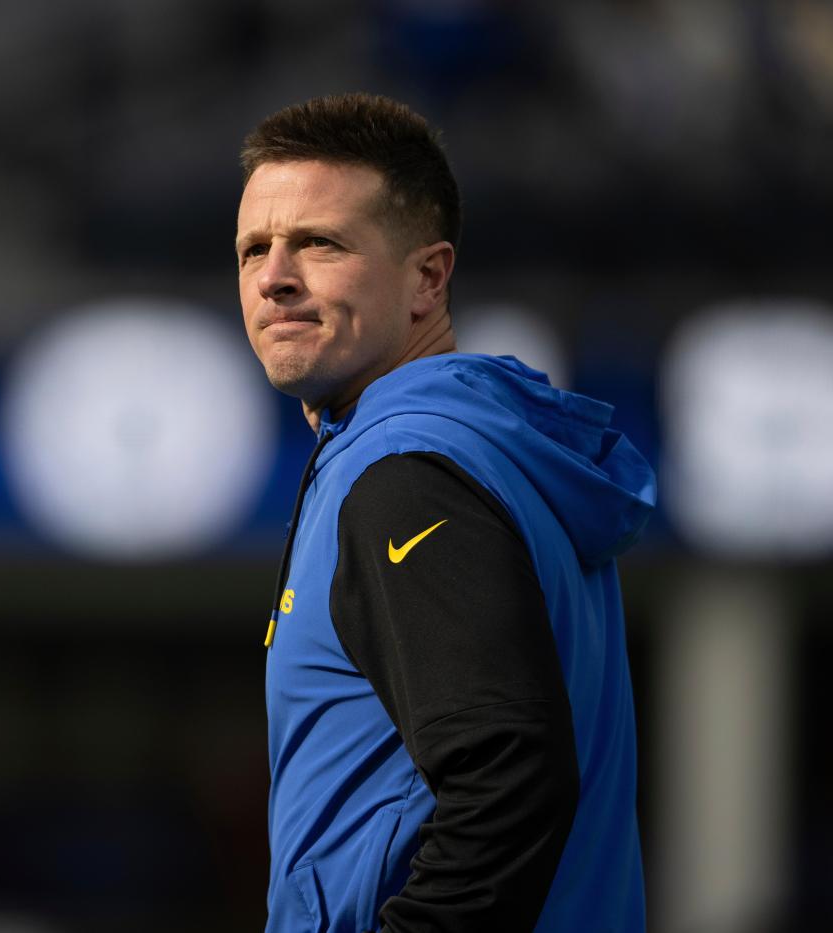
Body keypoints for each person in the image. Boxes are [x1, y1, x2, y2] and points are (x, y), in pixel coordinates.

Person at [236, 93, 655, 932]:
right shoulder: (474, 449)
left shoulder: (405, 472)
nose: (274, 276)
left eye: (320, 243)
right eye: (254, 249)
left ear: (428, 277)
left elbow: (508, 781)